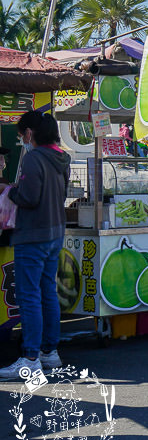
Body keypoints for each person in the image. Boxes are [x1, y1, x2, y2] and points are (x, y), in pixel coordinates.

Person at [0, 112, 71, 379]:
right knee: (47, 293)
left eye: (21, 134)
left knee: (29, 297)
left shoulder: (33, 159)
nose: (21, 139)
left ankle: (30, 357)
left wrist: (10, 191)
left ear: (30, 133)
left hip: (32, 236)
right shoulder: (62, 158)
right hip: (55, 233)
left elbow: (28, 197)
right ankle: (49, 352)